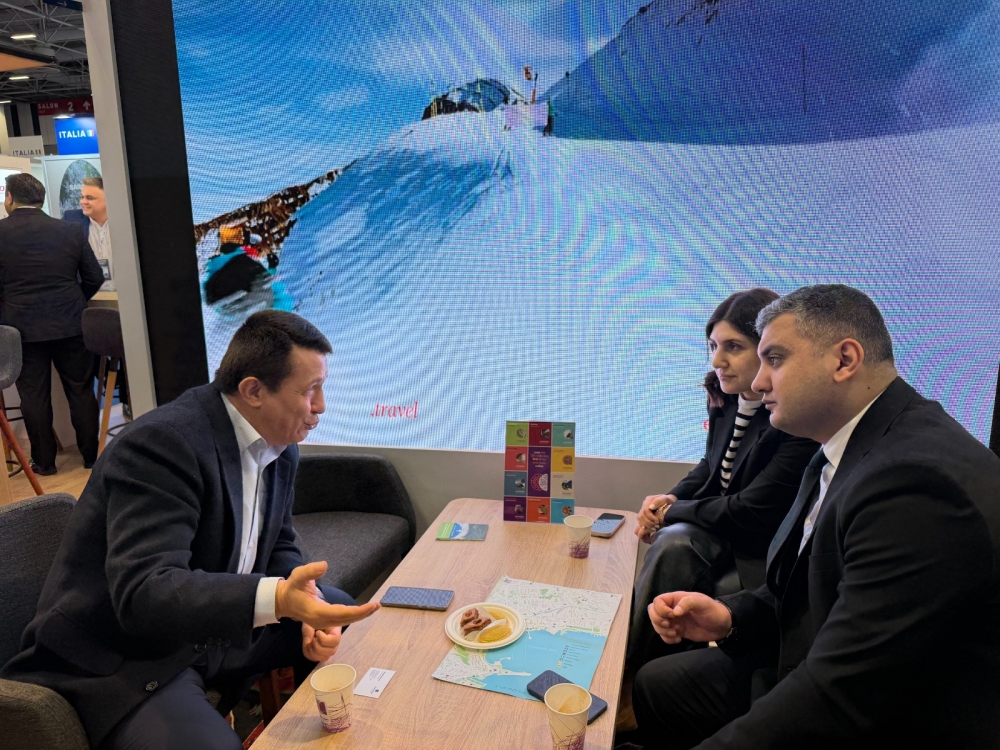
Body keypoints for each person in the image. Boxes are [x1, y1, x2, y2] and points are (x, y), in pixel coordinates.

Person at [632, 285, 1000, 749]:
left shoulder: (915, 485)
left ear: (844, 360)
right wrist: (729, 616)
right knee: (656, 685)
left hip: (890, 713)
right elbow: (804, 586)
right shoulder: (845, 446)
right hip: (815, 660)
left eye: (775, 359)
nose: (759, 382)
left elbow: (842, 696)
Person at [1, 310, 381, 750]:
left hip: (208, 632)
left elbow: (277, 541)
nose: (321, 406)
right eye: (310, 390)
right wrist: (279, 599)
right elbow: (144, 593)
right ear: (253, 391)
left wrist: (305, 600)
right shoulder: (162, 445)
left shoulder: (279, 444)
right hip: (130, 655)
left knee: (337, 612)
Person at [628, 289, 817, 668]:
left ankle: (629, 672)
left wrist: (671, 513)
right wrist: (668, 498)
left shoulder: (793, 415)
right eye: (713, 346)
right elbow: (710, 465)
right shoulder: (724, 394)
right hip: (723, 524)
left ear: (768, 350)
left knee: (674, 542)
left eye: (733, 347)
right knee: (671, 536)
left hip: (759, 544)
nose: (717, 360)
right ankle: (637, 662)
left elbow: (752, 510)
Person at [0, 172, 104, 474]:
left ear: (9, 197)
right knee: (81, 390)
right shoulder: (70, 230)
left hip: (21, 329)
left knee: (33, 396)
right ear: (41, 199)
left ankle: (45, 463)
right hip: (71, 324)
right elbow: (94, 277)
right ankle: (91, 456)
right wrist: (75, 301)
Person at [64, 176, 112, 278]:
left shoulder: (126, 220)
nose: (83, 202)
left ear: (108, 199)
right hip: (88, 286)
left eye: (90, 198)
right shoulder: (71, 220)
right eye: (82, 197)